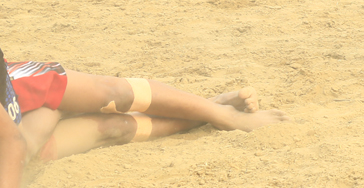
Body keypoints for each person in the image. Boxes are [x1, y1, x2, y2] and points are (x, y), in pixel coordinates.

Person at [1, 45, 286, 185]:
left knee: (112, 93)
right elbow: (19, 147)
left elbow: (14, 144)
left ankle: (221, 114)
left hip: (14, 98)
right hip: (20, 139)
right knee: (115, 129)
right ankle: (208, 110)